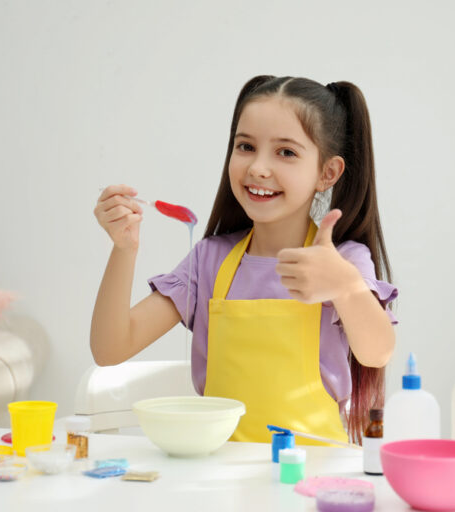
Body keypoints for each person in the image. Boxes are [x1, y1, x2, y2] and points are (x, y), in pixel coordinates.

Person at [91, 75, 397, 445]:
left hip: (308, 474)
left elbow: (377, 353)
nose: (258, 168)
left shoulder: (343, 261)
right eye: (246, 146)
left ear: (327, 173)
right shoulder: (209, 260)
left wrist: (345, 286)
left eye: (286, 152)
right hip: (220, 475)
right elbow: (110, 348)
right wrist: (124, 249)